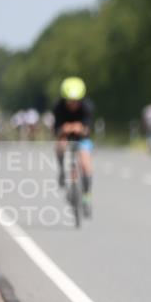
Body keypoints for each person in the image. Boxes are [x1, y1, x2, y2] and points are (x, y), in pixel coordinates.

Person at [53, 77, 95, 216]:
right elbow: (57, 131)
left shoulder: (87, 107)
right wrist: (65, 129)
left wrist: (79, 128)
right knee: (60, 146)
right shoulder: (58, 107)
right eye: (70, 101)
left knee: (85, 164)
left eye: (76, 101)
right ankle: (62, 170)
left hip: (82, 138)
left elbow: (88, 129)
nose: (73, 104)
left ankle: (86, 197)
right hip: (66, 136)